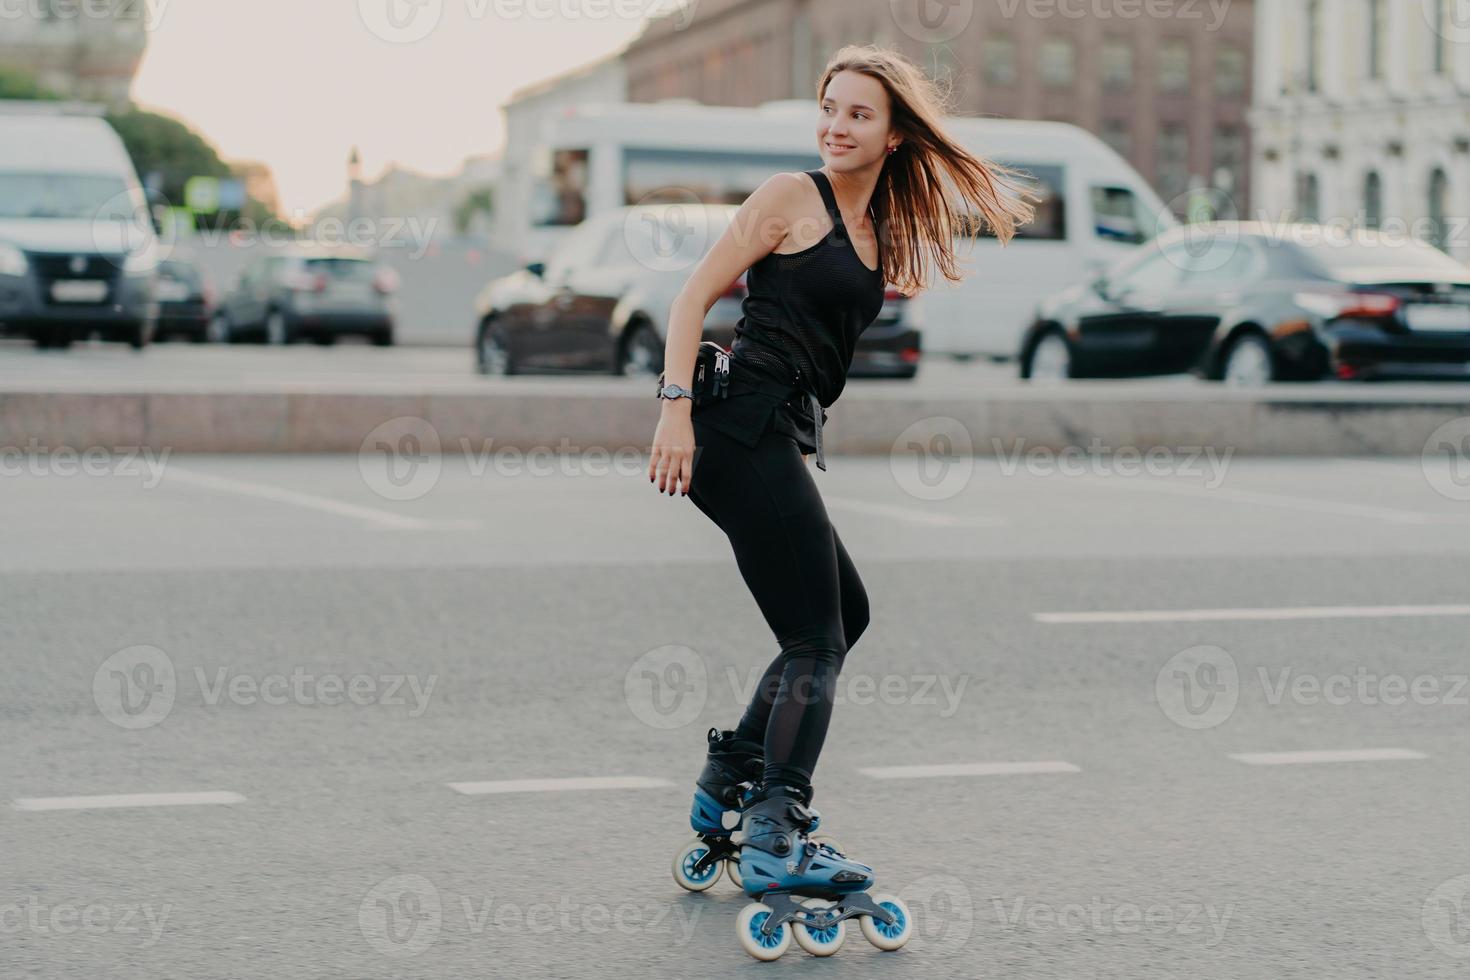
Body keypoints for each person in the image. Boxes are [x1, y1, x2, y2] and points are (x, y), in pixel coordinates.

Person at [649, 44, 1038, 888]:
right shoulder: (791, 196)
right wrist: (675, 410)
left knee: (843, 617)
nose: (836, 125)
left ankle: (730, 781)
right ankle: (775, 830)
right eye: (830, 107)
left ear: (893, 133)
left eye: (859, 113)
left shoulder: (876, 227)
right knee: (815, 638)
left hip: (773, 433)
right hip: (734, 426)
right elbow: (691, 297)